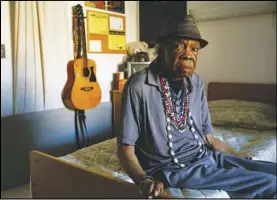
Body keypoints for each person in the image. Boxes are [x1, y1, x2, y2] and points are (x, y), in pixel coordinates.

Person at [117, 15, 276, 199]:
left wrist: (238, 156)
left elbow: (208, 137)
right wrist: (143, 179)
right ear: (162, 50)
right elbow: (125, 148)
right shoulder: (138, 86)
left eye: (195, 49)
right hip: (175, 169)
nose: (188, 55)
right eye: (179, 46)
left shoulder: (196, 82)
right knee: (271, 184)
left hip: (205, 156)